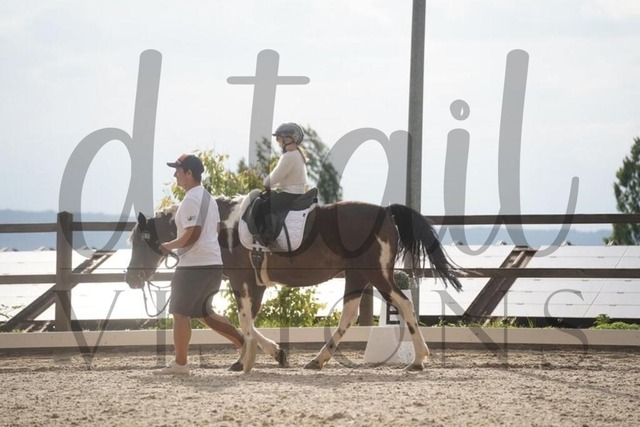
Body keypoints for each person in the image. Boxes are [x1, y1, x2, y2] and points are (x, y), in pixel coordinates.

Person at [154, 153, 244, 375]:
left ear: (189, 173)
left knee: (179, 313)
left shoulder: (191, 200)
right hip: (212, 263)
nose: (175, 175)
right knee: (205, 313)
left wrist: (168, 246)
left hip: (193, 267)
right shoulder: (208, 199)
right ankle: (244, 343)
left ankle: (180, 364)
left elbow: (193, 233)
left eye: (177, 171)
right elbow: (216, 229)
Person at [263, 122, 308, 194]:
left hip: (288, 195)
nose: (279, 145)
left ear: (287, 140)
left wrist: (266, 183)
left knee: (256, 195)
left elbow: (276, 175)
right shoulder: (298, 154)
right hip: (297, 194)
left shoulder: (289, 156)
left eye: (279, 140)